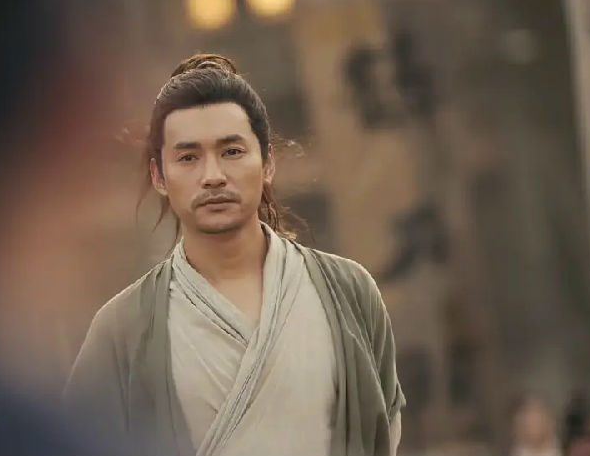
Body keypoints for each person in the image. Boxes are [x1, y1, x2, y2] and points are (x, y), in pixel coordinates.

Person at [63, 54, 406, 456]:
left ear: (268, 163)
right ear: (159, 176)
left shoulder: (349, 292)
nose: (213, 176)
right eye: (188, 157)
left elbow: (383, 433)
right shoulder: (122, 329)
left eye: (231, 151)